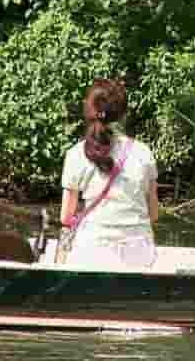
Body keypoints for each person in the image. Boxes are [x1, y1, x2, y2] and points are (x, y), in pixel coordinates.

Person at [59, 79, 159, 268]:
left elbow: (65, 217)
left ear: (89, 111)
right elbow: (152, 214)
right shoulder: (143, 152)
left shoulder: (75, 155)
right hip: (139, 254)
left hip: (92, 251)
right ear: (123, 114)